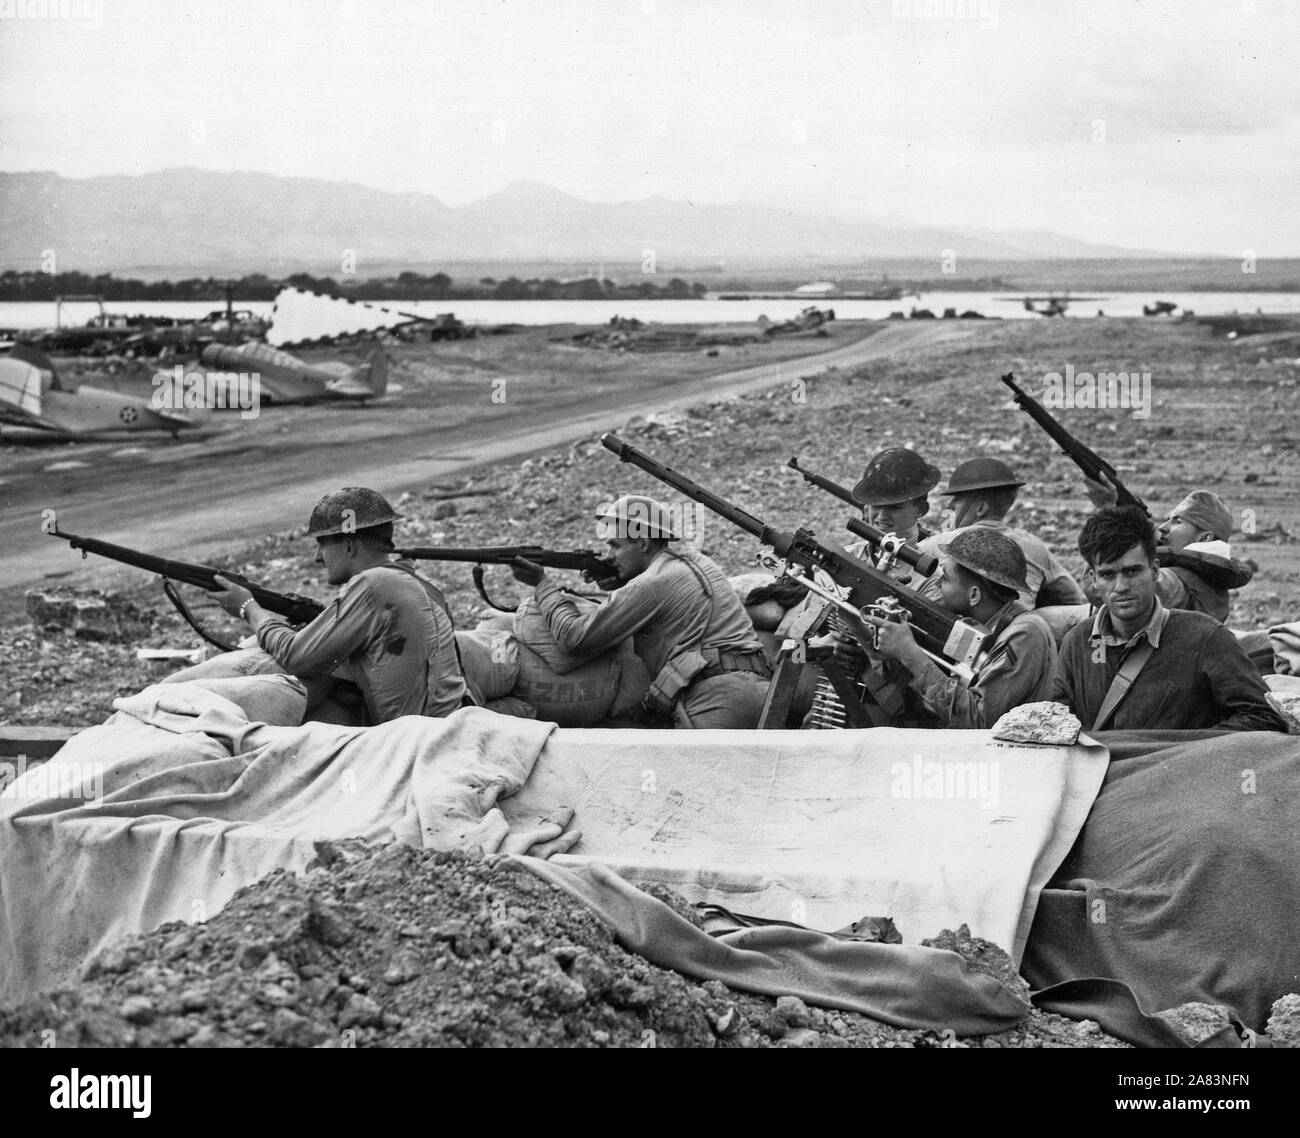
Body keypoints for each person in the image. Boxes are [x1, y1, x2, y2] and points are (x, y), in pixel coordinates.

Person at [209, 486, 469, 724]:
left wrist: (249, 609)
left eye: (322, 544)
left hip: (412, 740)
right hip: (445, 726)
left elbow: (297, 658)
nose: (317, 557)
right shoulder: (422, 583)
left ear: (347, 545)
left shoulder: (374, 583)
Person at [508, 494, 771, 728]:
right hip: (759, 692)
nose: (609, 555)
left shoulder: (652, 583)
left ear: (643, 543)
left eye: (616, 546)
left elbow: (574, 639)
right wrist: (622, 583)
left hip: (715, 700)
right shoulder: (697, 561)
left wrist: (542, 585)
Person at [1050, 506, 1285, 733]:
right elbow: (1059, 726)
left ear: (1155, 570)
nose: (1120, 587)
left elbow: (1262, 716)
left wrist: (1183, 749)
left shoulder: (1206, 637)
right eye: (1108, 575)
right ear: (1093, 579)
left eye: (1132, 571)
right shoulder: (1078, 643)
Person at [860, 528, 1056, 728]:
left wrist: (911, 654)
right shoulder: (987, 626)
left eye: (945, 578)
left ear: (974, 595)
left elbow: (979, 720)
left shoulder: (1025, 633)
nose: (936, 584)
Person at [916, 458, 1087, 609]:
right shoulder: (1033, 544)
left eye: (958, 501)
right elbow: (1074, 599)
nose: (951, 506)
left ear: (981, 508)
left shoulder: (945, 542)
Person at [1083, 477, 1252, 623]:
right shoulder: (1210, 574)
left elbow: (1098, 589)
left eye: (1177, 522)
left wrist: (1108, 511)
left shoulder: (1177, 581)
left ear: (1205, 538)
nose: (1163, 528)